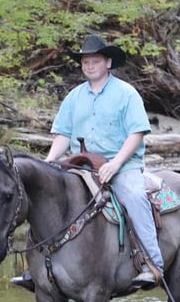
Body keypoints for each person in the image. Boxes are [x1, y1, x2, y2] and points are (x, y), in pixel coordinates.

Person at [45, 34, 164, 287]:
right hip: (80, 165)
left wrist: (116, 164)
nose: (89, 66)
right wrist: (49, 160)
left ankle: (151, 264)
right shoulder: (74, 97)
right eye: (86, 61)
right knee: (45, 198)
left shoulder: (126, 94)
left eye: (95, 61)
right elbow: (63, 134)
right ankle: (40, 266)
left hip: (120, 165)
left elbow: (137, 133)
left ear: (108, 62)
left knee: (134, 196)